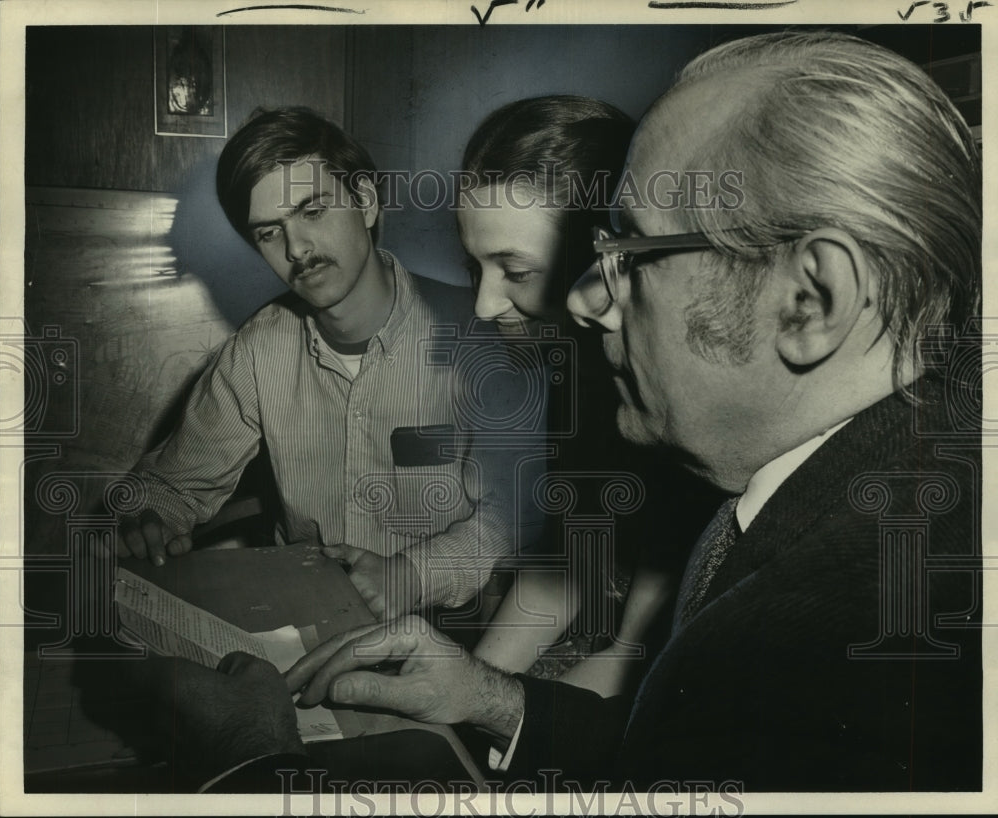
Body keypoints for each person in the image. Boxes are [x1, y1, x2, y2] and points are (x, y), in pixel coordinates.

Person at [150, 31, 983, 792]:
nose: (591, 297)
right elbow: (597, 612)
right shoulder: (819, 482)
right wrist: (486, 697)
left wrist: (257, 772)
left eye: (628, 254)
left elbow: (643, 667)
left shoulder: (866, 621)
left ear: (811, 300)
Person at [116, 107, 515, 619]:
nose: (297, 249)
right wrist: (146, 518)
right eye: (269, 233)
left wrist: (412, 576)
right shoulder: (259, 350)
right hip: (306, 618)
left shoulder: (478, 337)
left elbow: (513, 512)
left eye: (312, 211)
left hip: (443, 630)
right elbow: (170, 487)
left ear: (366, 202)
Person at [457, 95, 720, 695]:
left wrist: (491, 708)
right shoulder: (575, 366)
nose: (483, 305)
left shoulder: (679, 391)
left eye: (515, 272)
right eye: (476, 268)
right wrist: (469, 687)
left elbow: (633, 659)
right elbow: (571, 559)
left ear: (601, 256)